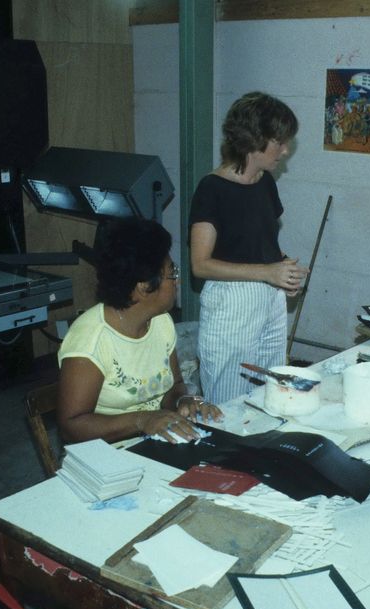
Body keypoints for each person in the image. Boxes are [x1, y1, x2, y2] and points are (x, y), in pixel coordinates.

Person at [189, 91, 308, 404]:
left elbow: (262, 245)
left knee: (270, 394)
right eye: (279, 141)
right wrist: (268, 272)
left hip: (270, 297)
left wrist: (285, 270)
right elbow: (200, 264)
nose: (285, 150)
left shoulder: (265, 182)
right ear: (255, 139)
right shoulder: (211, 189)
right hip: (232, 300)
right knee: (227, 403)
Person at [57, 221, 222, 444]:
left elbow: (174, 386)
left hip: (155, 440)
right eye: (172, 272)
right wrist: (141, 421)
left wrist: (184, 399)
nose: (178, 280)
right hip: (107, 452)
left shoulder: (160, 322)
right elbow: (71, 426)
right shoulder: (90, 341)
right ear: (144, 286)